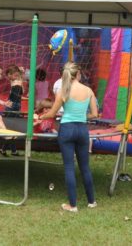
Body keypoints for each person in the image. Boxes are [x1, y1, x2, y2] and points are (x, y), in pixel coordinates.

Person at [40, 62, 98, 211]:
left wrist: (41, 116)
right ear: (78, 74)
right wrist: (81, 116)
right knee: (85, 167)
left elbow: (52, 113)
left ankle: (73, 205)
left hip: (67, 129)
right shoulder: (88, 90)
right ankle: (92, 201)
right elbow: (94, 114)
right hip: (82, 130)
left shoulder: (63, 91)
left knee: (69, 167)